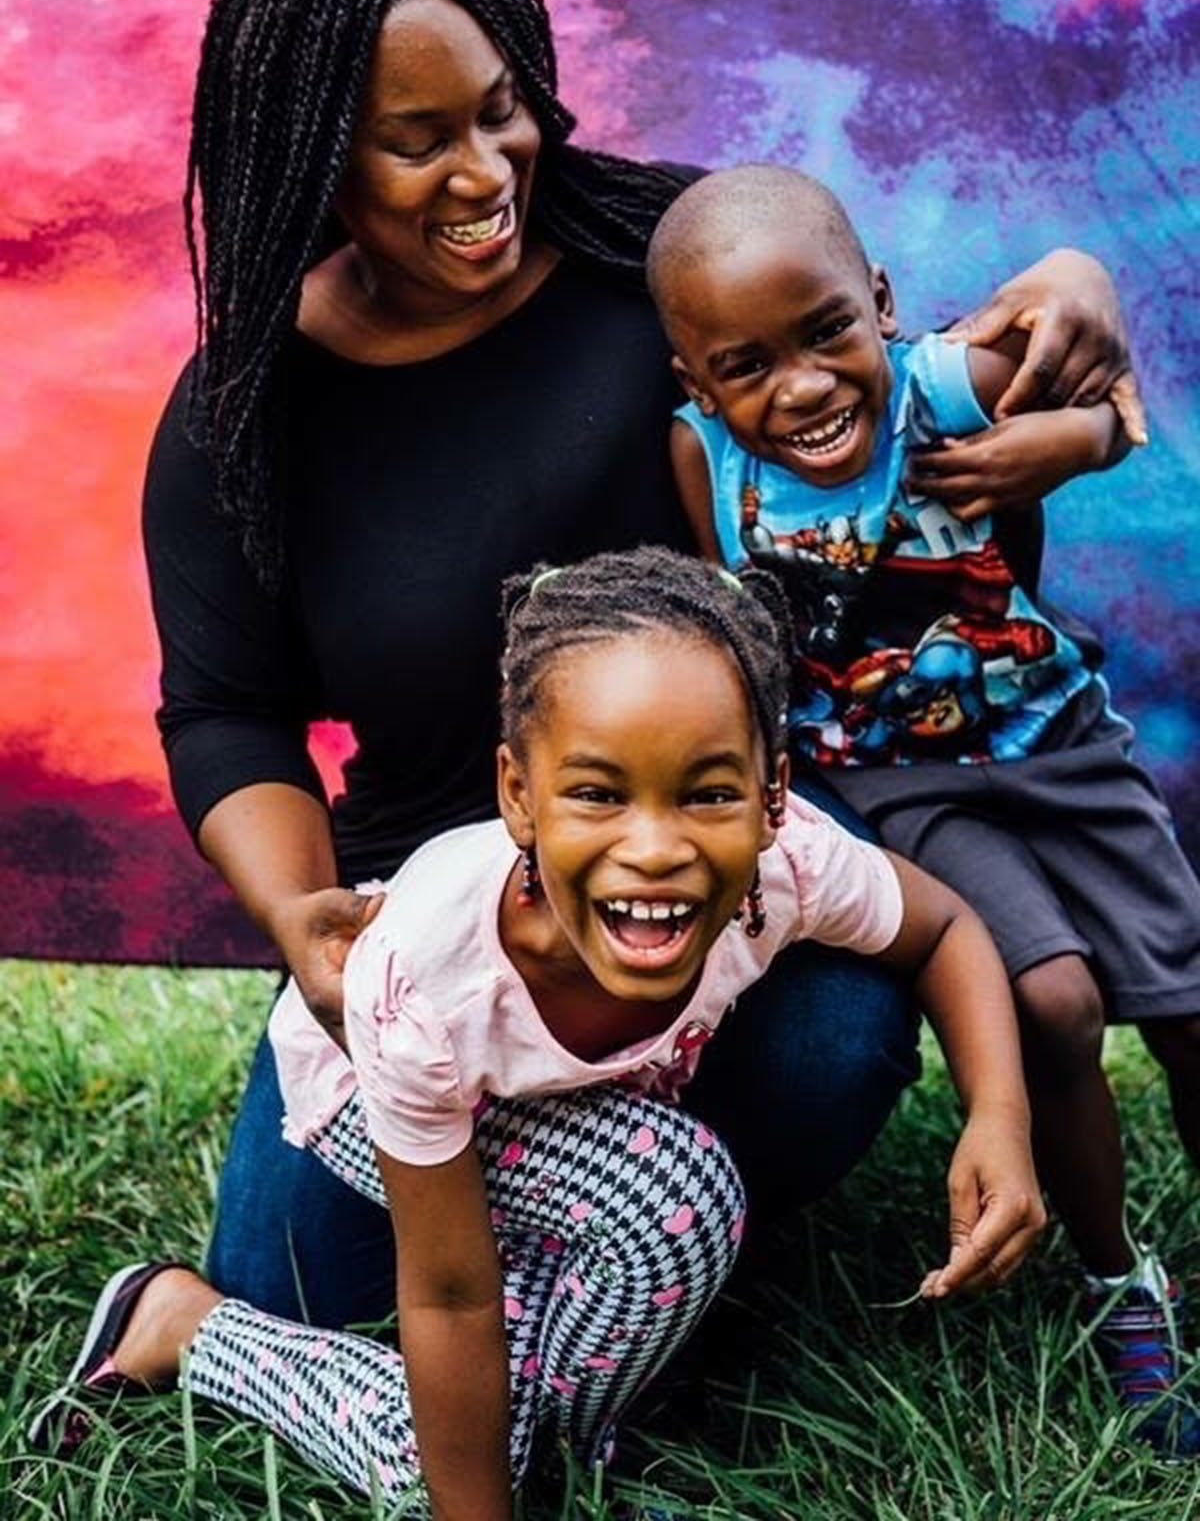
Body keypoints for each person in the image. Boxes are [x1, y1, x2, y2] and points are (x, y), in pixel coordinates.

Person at [142, 0, 1137, 1333]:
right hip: (440, 911)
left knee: (824, 1053)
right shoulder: (247, 411)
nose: (485, 170)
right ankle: (569, 1198)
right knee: (291, 1281)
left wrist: (1069, 297)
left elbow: (889, 388)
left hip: (714, 856)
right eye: (416, 143)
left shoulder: (664, 273)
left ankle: (649, 1230)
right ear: (308, 160)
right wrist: (304, 914)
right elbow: (226, 712)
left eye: (501, 111)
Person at [42, 549, 1044, 1512]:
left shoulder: (790, 867)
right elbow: (447, 1297)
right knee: (660, 1209)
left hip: (556, 1101)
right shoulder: (419, 982)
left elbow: (946, 928)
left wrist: (997, 1113)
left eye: (709, 792)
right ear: (519, 795)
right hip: (377, 1084)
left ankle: (551, 1428)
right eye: (598, 795)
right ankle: (187, 1323)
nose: (654, 850)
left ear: (774, 793)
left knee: (511, 1405)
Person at [650, 164, 1200, 1455]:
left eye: (830, 332)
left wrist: (1086, 439)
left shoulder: (944, 384)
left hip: (1059, 743)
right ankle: (1120, 1280)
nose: (802, 384)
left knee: (1188, 1015)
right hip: (899, 783)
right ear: (696, 384)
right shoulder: (706, 464)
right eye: (745, 364)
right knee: (1055, 1004)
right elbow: (742, 629)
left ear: (882, 304)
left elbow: (1106, 403)